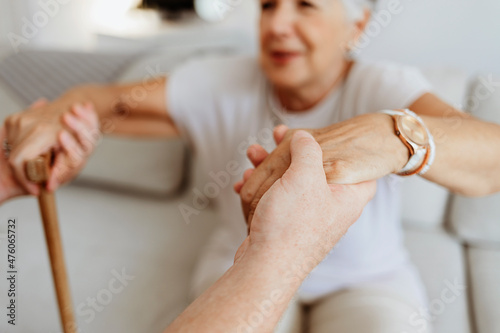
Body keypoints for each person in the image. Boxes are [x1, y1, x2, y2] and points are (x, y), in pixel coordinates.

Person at [2, 0, 500, 331]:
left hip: (368, 279)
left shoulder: (384, 84)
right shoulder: (218, 80)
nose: (278, 23)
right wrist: (49, 118)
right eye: (267, 5)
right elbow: (104, 103)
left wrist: (391, 134)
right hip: (240, 260)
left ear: (358, 25)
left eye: (304, 4)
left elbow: (491, 159)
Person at [163, 130, 376, 332]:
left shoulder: (378, 92)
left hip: (367, 277)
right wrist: (275, 248)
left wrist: (396, 128)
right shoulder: (213, 96)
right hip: (238, 260)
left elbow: (410, 119)